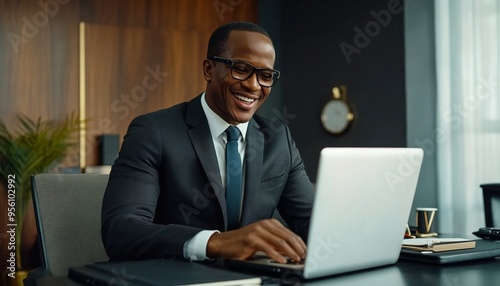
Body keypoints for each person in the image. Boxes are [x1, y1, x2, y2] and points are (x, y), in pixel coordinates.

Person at [101, 21, 315, 265]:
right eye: (241, 69)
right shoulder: (153, 132)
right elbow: (119, 232)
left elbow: (311, 222)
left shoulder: (278, 140)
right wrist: (215, 243)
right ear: (208, 69)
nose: (254, 85)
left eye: (265, 76)